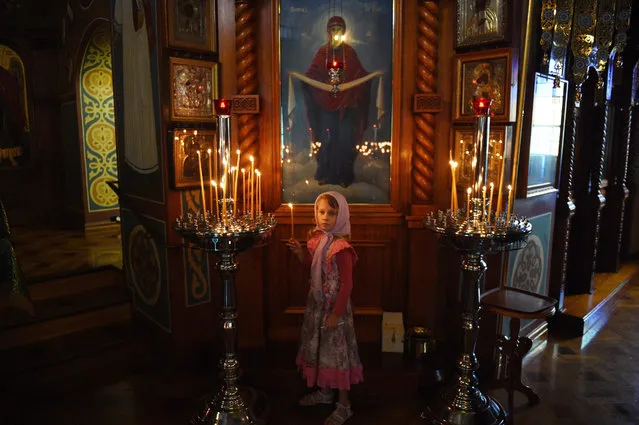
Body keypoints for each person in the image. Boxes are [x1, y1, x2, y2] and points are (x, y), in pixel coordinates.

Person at [286, 191, 363, 425]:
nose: (325, 217)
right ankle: (324, 391)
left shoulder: (341, 248)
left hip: (334, 309)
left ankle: (344, 404)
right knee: (321, 350)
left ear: (341, 216)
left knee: (337, 355)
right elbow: (314, 267)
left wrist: (337, 313)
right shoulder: (317, 241)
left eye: (332, 213)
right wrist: (301, 253)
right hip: (318, 306)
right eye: (321, 212)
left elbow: (347, 285)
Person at [301, 16, 372, 187]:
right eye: (333, 29)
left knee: (345, 140)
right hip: (326, 105)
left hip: (346, 105)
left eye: (339, 29)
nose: (336, 32)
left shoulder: (349, 53)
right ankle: (326, 174)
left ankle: (344, 176)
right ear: (328, 31)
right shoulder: (322, 53)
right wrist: (312, 82)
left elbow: (359, 75)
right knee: (327, 139)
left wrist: (365, 79)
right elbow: (312, 75)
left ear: (344, 31)